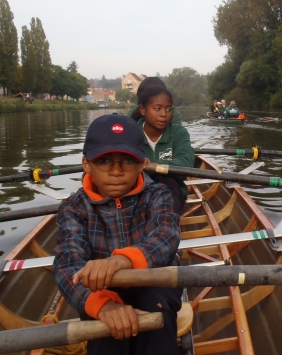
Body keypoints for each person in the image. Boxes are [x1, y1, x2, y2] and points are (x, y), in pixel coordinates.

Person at [53, 114, 182, 354]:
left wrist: (121, 261)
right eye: (104, 161)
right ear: (86, 164)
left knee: (158, 315)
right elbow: (66, 265)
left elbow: (167, 236)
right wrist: (104, 306)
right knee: (105, 335)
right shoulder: (73, 207)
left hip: (154, 283)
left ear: (142, 163)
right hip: (101, 291)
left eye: (127, 161)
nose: (115, 171)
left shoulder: (158, 194)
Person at [137, 85, 194, 214]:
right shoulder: (131, 133)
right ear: (143, 110)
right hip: (138, 191)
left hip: (172, 193)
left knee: (168, 183)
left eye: (168, 109)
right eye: (157, 109)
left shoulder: (179, 133)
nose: (164, 114)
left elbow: (186, 163)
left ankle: (165, 227)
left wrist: (155, 166)